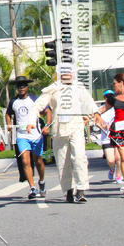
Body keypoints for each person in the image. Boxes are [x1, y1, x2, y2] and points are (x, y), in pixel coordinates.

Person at [35, 68, 96, 203]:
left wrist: (95, 115)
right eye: (64, 72)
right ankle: (68, 190)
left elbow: (90, 103)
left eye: (69, 72)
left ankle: (80, 190)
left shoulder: (79, 88)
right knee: (63, 161)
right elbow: (38, 105)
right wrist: (31, 119)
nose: (67, 75)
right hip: (59, 129)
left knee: (79, 157)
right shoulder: (53, 89)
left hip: (76, 127)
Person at [5, 76, 46, 200]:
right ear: (16, 88)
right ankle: (32, 188)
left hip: (35, 134)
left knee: (38, 160)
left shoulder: (34, 99)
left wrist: (47, 125)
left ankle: (42, 182)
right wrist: (8, 124)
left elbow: (46, 111)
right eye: (19, 86)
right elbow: (8, 113)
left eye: (23, 85)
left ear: (27, 87)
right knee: (25, 161)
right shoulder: (13, 102)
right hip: (21, 135)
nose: (21, 88)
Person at [95, 90, 122, 185]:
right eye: (107, 96)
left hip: (117, 136)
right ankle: (111, 168)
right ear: (104, 98)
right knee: (111, 160)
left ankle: (118, 176)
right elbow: (97, 122)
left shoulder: (117, 108)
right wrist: (102, 126)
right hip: (106, 137)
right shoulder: (100, 110)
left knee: (118, 158)